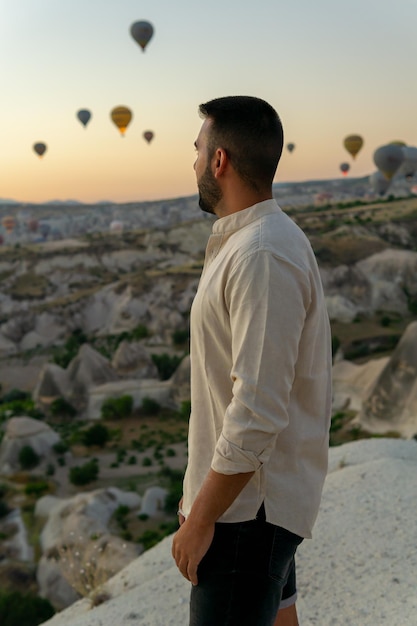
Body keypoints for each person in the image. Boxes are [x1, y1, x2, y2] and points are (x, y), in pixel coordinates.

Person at [172, 95, 332, 626]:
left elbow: (257, 409)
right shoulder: (256, 243)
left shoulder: (261, 253)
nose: (192, 162)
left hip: (245, 517)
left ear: (220, 161)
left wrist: (202, 518)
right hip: (255, 507)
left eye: (197, 150)